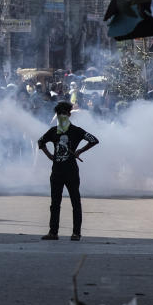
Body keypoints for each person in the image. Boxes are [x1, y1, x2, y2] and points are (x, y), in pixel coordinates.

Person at [38, 101, 99, 241]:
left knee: (75, 202)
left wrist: (79, 151)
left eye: (64, 114)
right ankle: (53, 232)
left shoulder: (76, 131)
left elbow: (94, 140)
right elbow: (41, 142)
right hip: (57, 171)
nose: (62, 116)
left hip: (71, 171)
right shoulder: (53, 131)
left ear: (69, 114)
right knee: (55, 203)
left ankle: (76, 233)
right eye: (59, 114)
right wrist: (50, 156)